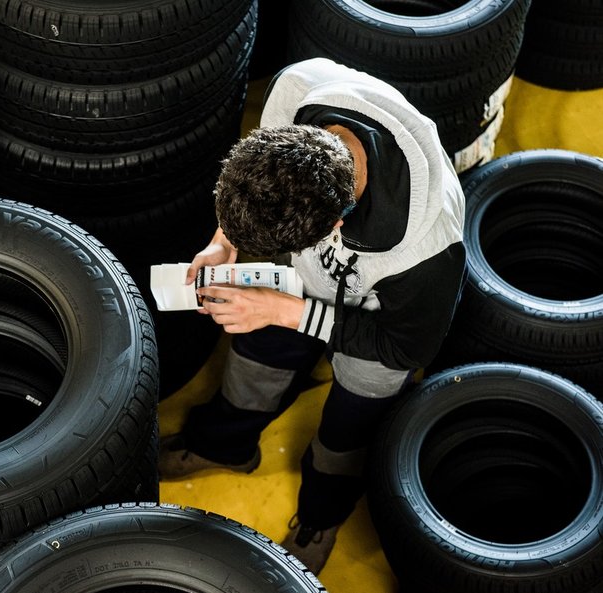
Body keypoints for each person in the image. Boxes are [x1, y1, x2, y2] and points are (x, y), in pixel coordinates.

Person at [157, 57, 466, 574]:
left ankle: (321, 515)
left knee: (347, 432)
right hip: (302, 278)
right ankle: (224, 445)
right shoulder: (295, 92)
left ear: (337, 223)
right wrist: (223, 241)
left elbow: (404, 347)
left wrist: (285, 309)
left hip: (378, 325)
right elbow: (252, 184)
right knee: (253, 358)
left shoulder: (428, 248)